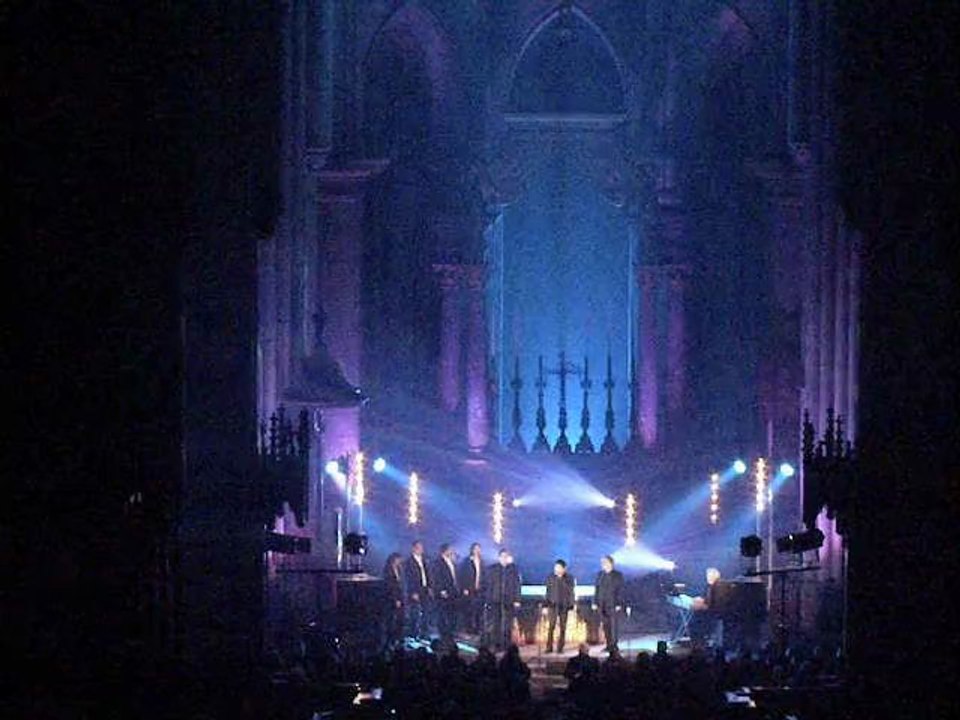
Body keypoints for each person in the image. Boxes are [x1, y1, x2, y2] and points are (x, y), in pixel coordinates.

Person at [485, 549, 521, 650]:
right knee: (496, 623)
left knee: (507, 624)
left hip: (509, 601)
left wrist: (517, 599)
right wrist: (489, 600)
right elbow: (489, 585)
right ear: (499, 557)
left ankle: (506, 644)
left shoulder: (513, 569)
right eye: (502, 556)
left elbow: (517, 585)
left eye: (506, 556)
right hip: (496, 600)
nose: (504, 558)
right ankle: (496, 644)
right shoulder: (493, 569)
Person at [593, 555, 624, 653]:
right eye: (602, 562)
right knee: (606, 626)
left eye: (605, 562)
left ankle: (614, 646)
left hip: (613, 604)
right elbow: (597, 589)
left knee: (613, 626)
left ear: (611, 563)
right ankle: (608, 644)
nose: (603, 564)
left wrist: (619, 603)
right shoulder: (600, 575)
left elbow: (621, 590)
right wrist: (595, 602)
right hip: (602, 605)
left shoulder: (618, 575)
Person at [544, 559, 575, 653]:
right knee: (551, 627)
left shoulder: (569, 578)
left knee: (562, 627)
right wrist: (546, 605)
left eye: (559, 567)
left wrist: (571, 605)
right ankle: (549, 647)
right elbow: (548, 592)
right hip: (552, 605)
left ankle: (560, 647)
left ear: (564, 569)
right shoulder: (550, 577)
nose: (556, 569)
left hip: (564, 606)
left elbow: (571, 592)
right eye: (555, 567)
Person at [432, 543, 459, 647]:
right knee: (442, 614)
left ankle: (450, 633)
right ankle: (443, 634)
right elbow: (437, 577)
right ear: (445, 550)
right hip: (443, 593)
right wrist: (441, 590)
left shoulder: (451, 561)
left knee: (451, 613)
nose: (452, 551)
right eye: (450, 549)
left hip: (453, 592)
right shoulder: (438, 562)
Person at [403, 540, 431, 639]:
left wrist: (430, 587)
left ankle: (425, 633)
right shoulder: (408, 562)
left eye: (422, 547)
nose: (421, 549)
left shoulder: (425, 560)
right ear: (414, 548)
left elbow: (428, 575)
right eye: (419, 547)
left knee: (426, 612)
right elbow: (408, 578)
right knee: (415, 612)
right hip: (415, 590)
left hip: (425, 589)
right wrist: (412, 592)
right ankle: (413, 632)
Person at [458, 542, 483, 634]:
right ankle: (468, 628)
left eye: (479, 549)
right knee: (469, 610)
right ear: (472, 550)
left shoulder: (482, 561)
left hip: (479, 590)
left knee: (478, 610)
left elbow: (483, 575)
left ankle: (477, 628)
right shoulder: (466, 561)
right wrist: (464, 588)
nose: (478, 550)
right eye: (476, 548)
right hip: (469, 589)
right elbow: (462, 575)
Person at [383, 552, 405, 650]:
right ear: (394, 559)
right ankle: (390, 640)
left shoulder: (400, 569)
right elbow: (390, 586)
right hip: (391, 598)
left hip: (401, 596)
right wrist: (395, 599)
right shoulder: (388, 570)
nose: (400, 561)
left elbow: (401, 583)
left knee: (401, 618)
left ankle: (398, 637)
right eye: (398, 559)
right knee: (391, 619)